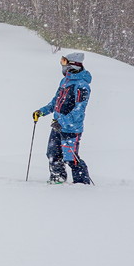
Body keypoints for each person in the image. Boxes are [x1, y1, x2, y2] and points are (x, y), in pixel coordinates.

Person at [32, 52, 93, 184]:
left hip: (71, 128)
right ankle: (57, 178)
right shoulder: (65, 82)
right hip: (57, 125)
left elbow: (79, 110)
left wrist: (63, 122)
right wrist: (41, 112)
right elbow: (55, 102)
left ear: (73, 65)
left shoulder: (82, 85)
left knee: (71, 158)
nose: (62, 65)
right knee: (52, 154)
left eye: (64, 62)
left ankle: (82, 183)